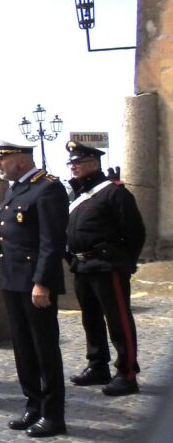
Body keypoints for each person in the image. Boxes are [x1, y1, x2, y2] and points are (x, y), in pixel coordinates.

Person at [0, 140, 68, 438]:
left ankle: (53, 415)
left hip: (33, 283)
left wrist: (42, 282)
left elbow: (50, 242)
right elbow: (19, 236)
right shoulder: (16, 188)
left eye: (1, 160)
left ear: (20, 159)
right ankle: (33, 404)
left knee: (44, 349)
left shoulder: (48, 188)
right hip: (12, 280)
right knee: (23, 348)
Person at [64, 140, 145, 396]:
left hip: (107, 265)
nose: (73, 167)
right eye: (72, 163)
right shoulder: (76, 194)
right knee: (91, 319)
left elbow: (135, 232)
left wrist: (123, 261)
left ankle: (127, 372)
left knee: (118, 320)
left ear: (94, 163)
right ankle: (98, 364)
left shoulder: (114, 191)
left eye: (79, 162)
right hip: (82, 264)